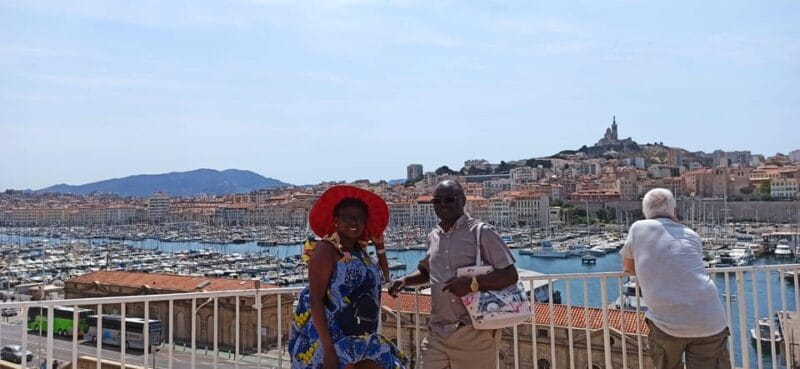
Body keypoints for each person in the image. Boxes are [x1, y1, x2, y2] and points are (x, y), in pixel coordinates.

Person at [388, 180, 518, 369]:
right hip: (437, 331)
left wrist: (472, 283)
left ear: (463, 201)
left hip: (473, 330)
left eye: (449, 199)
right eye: (437, 201)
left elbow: (510, 274)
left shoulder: (481, 232)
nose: (443, 204)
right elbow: (427, 271)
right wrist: (405, 280)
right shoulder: (434, 236)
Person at [288, 185, 407, 369]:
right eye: (348, 217)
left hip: (360, 334)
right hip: (334, 337)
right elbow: (315, 300)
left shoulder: (360, 251)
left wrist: (380, 246)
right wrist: (328, 350)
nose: (354, 222)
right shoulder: (326, 250)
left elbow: (384, 276)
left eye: (359, 218)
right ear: (336, 219)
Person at [620, 188, 730, 369]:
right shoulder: (691, 234)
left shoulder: (638, 228)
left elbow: (628, 267)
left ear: (646, 211)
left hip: (667, 323)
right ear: (673, 211)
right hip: (710, 319)